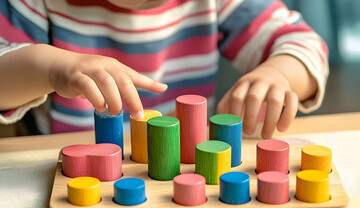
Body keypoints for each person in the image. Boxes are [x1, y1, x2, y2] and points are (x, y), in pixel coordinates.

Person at [0, 0, 328, 138]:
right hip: (70, 168)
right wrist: (53, 68)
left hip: (183, 166)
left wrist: (281, 74)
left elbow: (303, 43)